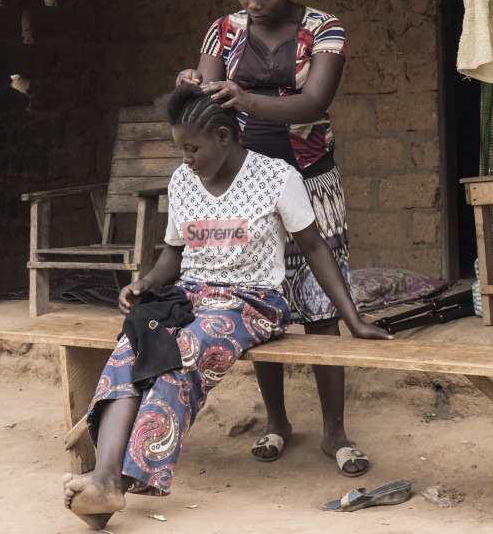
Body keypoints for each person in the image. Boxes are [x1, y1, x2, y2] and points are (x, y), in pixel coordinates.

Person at [61, 85, 391, 530]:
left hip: (252, 300)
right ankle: (104, 479)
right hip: (187, 295)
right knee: (131, 349)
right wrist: (145, 283)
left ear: (224, 136)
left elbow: (314, 249)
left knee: (182, 355)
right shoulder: (183, 181)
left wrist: (353, 320)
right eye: (181, 149)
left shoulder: (277, 177)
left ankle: (113, 483)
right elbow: (173, 255)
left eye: (191, 148)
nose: (186, 159)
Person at [176, 0, 368, 477]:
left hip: (311, 181)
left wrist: (243, 97)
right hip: (248, 190)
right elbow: (205, 95)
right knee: (261, 299)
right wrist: (190, 85)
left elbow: (314, 104)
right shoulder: (224, 29)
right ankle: (277, 422)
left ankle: (335, 432)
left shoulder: (325, 29)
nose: (254, 4)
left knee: (320, 305)